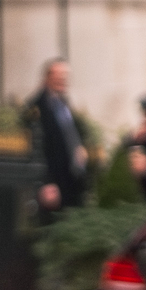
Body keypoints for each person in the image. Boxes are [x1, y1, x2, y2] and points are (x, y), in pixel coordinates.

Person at [27, 58, 96, 218]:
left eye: (65, 76)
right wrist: (46, 182)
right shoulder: (37, 107)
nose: (63, 80)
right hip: (53, 185)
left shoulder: (64, 104)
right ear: (47, 78)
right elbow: (38, 148)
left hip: (72, 181)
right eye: (58, 76)